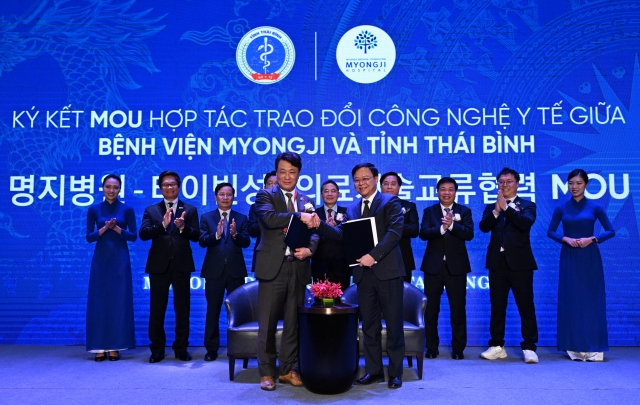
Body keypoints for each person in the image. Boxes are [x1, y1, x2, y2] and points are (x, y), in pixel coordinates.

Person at [310, 163, 406, 389]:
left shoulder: (390, 201)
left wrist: (373, 256)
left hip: (388, 272)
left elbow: (394, 233)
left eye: (365, 178)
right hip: (363, 275)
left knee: (393, 325)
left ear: (375, 178)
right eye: (357, 180)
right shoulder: (352, 209)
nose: (361, 183)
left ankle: (395, 373)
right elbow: (341, 235)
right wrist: (319, 225)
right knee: (369, 326)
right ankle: (374, 372)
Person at [254, 152, 319, 391]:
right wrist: (298, 216)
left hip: (299, 267)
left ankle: (287, 370)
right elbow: (269, 219)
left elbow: (315, 231)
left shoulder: (307, 200)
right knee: (267, 324)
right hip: (273, 267)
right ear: (276, 172)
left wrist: (310, 250)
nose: (287, 176)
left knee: (293, 323)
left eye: (292, 172)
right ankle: (266, 373)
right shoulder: (265, 195)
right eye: (282, 171)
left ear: (299, 174)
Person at [547, 169, 615, 362]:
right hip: (569, 256)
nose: (574, 187)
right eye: (571, 183)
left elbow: (610, 231)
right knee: (572, 301)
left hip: (590, 257)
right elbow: (550, 232)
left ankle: (594, 346)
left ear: (585, 184)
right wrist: (565, 238)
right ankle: (574, 346)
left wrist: (592, 239)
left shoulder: (595, 208)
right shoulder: (561, 208)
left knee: (592, 301)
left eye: (578, 183)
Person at [478, 167, 539, 364]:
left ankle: (529, 346)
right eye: (501, 182)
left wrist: (507, 208)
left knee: (525, 306)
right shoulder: (492, 206)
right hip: (497, 263)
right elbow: (483, 227)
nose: (504, 185)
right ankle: (497, 345)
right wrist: (497, 210)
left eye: (509, 181)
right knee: (497, 306)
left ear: (517, 184)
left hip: (521, 263)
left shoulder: (527, 205)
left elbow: (524, 223)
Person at [139, 170, 200, 363]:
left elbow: (197, 235)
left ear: (178, 186)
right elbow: (143, 234)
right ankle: (157, 349)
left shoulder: (189, 209)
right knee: (157, 309)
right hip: (159, 265)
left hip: (182, 265)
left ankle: (181, 348)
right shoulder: (151, 210)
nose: (169, 187)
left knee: (183, 309)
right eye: (165, 185)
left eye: (173, 184)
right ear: (160, 188)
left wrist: (183, 228)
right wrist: (162, 225)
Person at [419, 177, 473, 360]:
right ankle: (431, 348)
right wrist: (442, 228)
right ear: (437, 191)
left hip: (456, 268)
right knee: (431, 310)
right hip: (433, 268)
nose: (447, 192)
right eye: (443, 189)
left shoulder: (464, 211)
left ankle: (458, 349)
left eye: (450, 189)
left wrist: (453, 225)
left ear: (455, 192)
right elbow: (424, 233)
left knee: (458, 309)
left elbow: (469, 234)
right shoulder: (429, 211)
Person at [85, 174, 137, 361]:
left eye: (115, 187)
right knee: (99, 303)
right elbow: (89, 237)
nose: (111, 190)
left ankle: (115, 346)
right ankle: (99, 346)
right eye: (108, 187)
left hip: (120, 261)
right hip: (101, 261)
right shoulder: (94, 209)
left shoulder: (127, 209)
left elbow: (133, 236)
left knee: (118, 302)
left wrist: (116, 229)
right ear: (103, 188)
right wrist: (104, 228)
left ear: (120, 189)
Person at [199, 182, 251, 361]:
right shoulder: (206, 217)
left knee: (237, 311)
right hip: (214, 271)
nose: (225, 197)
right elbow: (202, 241)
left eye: (229, 194)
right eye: (222, 194)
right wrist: (216, 235)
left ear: (233, 197)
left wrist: (236, 235)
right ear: (215, 197)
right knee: (212, 311)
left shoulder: (241, 218)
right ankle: (211, 349)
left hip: (236, 271)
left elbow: (246, 242)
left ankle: (238, 348)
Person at [311, 179, 351, 292]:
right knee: (320, 306)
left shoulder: (348, 212)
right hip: (320, 267)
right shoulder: (313, 214)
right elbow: (310, 238)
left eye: (333, 191)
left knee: (343, 305)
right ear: (321, 194)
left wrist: (335, 230)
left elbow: (350, 238)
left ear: (338, 194)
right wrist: (325, 230)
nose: (329, 194)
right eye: (326, 191)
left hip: (342, 268)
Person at [381, 172, 419, 284]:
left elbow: (414, 230)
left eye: (393, 184)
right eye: (386, 184)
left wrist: (395, 224)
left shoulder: (409, 207)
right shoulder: (373, 206)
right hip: (377, 260)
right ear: (380, 186)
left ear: (399, 187)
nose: (389, 187)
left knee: (403, 297)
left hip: (402, 259)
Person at [248, 171, 277, 273]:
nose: (273, 186)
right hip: (263, 256)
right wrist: (265, 218)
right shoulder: (256, 207)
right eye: (270, 183)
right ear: (265, 187)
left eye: (276, 183)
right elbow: (252, 231)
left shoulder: (288, 206)